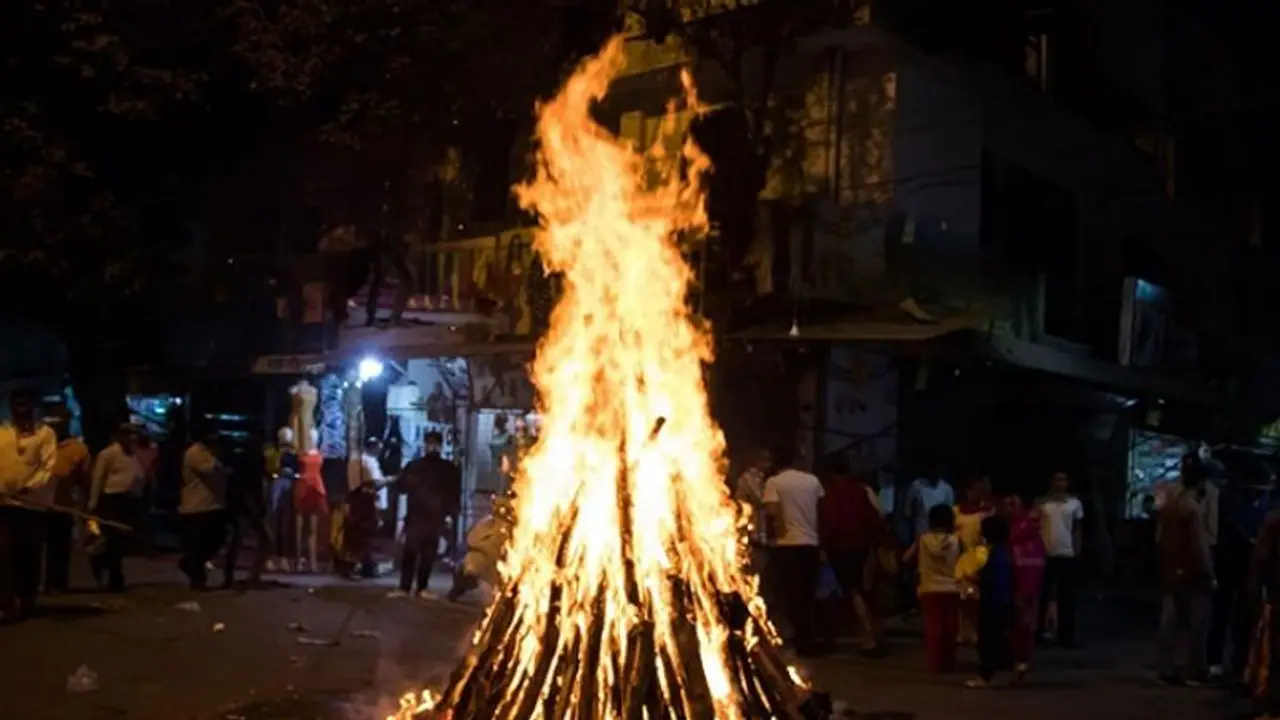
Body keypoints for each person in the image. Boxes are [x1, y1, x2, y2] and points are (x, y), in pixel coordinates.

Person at [816, 453, 885, 655]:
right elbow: (874, 516)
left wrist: (823, 545)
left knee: (851, 590)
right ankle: (871, 632)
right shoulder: (860, 490)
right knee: (858, 589)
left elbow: (830, 520)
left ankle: (868, 635)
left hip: (841, 546)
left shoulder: (832, 493)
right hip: (861, 545)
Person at [1157, 454, 1216, 686]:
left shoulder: (1170, 504)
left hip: (1170, 568)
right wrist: (1209, 573)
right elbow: (1200, 545)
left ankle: (1166, 667)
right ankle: (1196, 669)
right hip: (1192, 572)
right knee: (1198, 622)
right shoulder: (1192, 508)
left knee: (1169, 620)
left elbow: (1161, 538)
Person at [0, 389, 57, 622]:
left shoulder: (45, 434)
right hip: (4, 504)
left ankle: (27, 599)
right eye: (17, 404)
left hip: (31, 506)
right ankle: (7, 603)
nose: (21, 409)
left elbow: (48, 467)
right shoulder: (2, 433)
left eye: (25, 404)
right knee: (4, 554)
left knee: (28, 554)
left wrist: (28, 488)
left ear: (33, 406)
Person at [762, 442, 824, 657]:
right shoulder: (813, 481)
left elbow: (772, 513)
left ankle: (798, 638)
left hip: (787, 545)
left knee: (789, 595)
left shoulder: (774, 482)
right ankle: (810, 637)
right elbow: (820, 510)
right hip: (811, 543)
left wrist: (772, 538)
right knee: (808, 593)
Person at [1208, 467, 1269, 681]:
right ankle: (1216, 661)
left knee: (1243, 618)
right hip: (1230, 565)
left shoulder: (1262, 506)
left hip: (1248, 569)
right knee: (1222, 613)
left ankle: (1239, 662)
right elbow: (1234, 530)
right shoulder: (1232, 503)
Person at [393, 431, 461, 598]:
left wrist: (450, 515)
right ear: (424, 445)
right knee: (410, 552)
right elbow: (401, 487)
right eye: (429, 443)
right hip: (416, 517)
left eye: (435, 444)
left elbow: (453, 493)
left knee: (428, 554)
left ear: (440, 446)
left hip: (435, 518)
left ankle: (422, 587)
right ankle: (404, 587)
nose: (432, 447)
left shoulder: (447, 469)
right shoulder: (414, 466)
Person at [904, 504, 961, 673]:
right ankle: (949, 662)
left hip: (928, 588)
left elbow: (905, 558)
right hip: (952, 588)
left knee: (933, 626)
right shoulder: (957, 540)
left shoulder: (922, 540)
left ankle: (935, 663)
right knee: (951, 627)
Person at [88, 424, 145, 591]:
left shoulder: (132, 455)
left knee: (122, 540)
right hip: (112, 500)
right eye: (129, 434)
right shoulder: (108, 454)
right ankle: (114, 576)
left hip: (128, 501)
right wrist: (93, 501)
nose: (133, 438)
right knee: (113, 539)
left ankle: (106, 567)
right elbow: (98, 478)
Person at [44, 405, 90, 594]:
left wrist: (85, 506)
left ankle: (57, 583)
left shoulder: (77, 449)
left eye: (60, 420)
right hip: (33, 505)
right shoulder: (38, 443)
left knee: (59, 548)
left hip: (61, 506)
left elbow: (84, 480)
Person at [1036, 471, 1084, 648]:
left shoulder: (1074, 503)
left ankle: (1066, 637)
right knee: (1042, 595)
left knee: (1067, 598)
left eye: (1063, 480)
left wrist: (1077, 549)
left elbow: (1077, 529)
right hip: (1045, 554)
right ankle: (1038, 633)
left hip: (1066, 554)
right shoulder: (1042, 504)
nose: (1060, 483)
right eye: (1057, 480)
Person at [179, 425, 229, 591]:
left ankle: (192, 567)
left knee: (217, 540)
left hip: (213, 504)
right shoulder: (195, 453)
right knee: (199, 544)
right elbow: (210, 469)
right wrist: (216, 455)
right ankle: (196, 576)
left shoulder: (208, 453)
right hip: (197, 506)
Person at [968, 514, 1015, 689]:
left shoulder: (993, 554)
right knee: (1000, 637)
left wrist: (971, 578)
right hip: (1004, 600)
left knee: (987, 640)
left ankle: (985, 676)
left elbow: (989, 579)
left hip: (992, 602)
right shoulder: (1006, 552)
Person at [223, 434, 273, 588]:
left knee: (237, 540)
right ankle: (253, 576)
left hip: (243, 504)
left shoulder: (242, 461)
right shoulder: (255, 462)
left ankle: (230, 577)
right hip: (249, 504)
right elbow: (254, 487)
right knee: (266, 540)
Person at [1006, 495, 1046, 679]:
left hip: (1020, 584)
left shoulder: (1014, 534)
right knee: (1025, 623)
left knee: (1020, 623)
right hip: (1028, 584)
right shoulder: (1036, 537)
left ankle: (1019, 659)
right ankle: (1021, 659)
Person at [449, 492, 515, 602]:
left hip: (497, 563)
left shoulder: (512, 527)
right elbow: (472, 540)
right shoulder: (487, 523)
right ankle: (460, 586)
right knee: (469, 570)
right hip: (481, 558)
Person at [955, 475, 996, 644]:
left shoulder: (989, 511)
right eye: (974, 490)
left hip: (982, 559)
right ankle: (962, 632)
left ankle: (977, 632)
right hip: (961, 560)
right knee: (963, 599)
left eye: (981, 489)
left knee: (978, 600)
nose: (978, 493)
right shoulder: (956, 511)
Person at [1248, 505, 1280, 714]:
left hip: (1276, 596)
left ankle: (1272, 701)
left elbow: (1260, 560)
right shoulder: (1274, 522)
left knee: (1275, 652)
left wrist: (1255, 590)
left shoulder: (1274, 520)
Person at [338, 438, 385, 579]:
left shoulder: (356, 463)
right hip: (364, 506)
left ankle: (365, 566)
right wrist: (389, 480)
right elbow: (373, 484)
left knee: (362, 539)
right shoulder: (364, 464)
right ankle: (354, 567)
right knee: (360, 539)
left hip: (361, 505)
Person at [906, 463, 955, 541]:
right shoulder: (915, 486)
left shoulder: (947, 489)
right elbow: (908, 512)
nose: (934, 474)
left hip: (941, 536)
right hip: (921, 532)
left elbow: (950, 514)